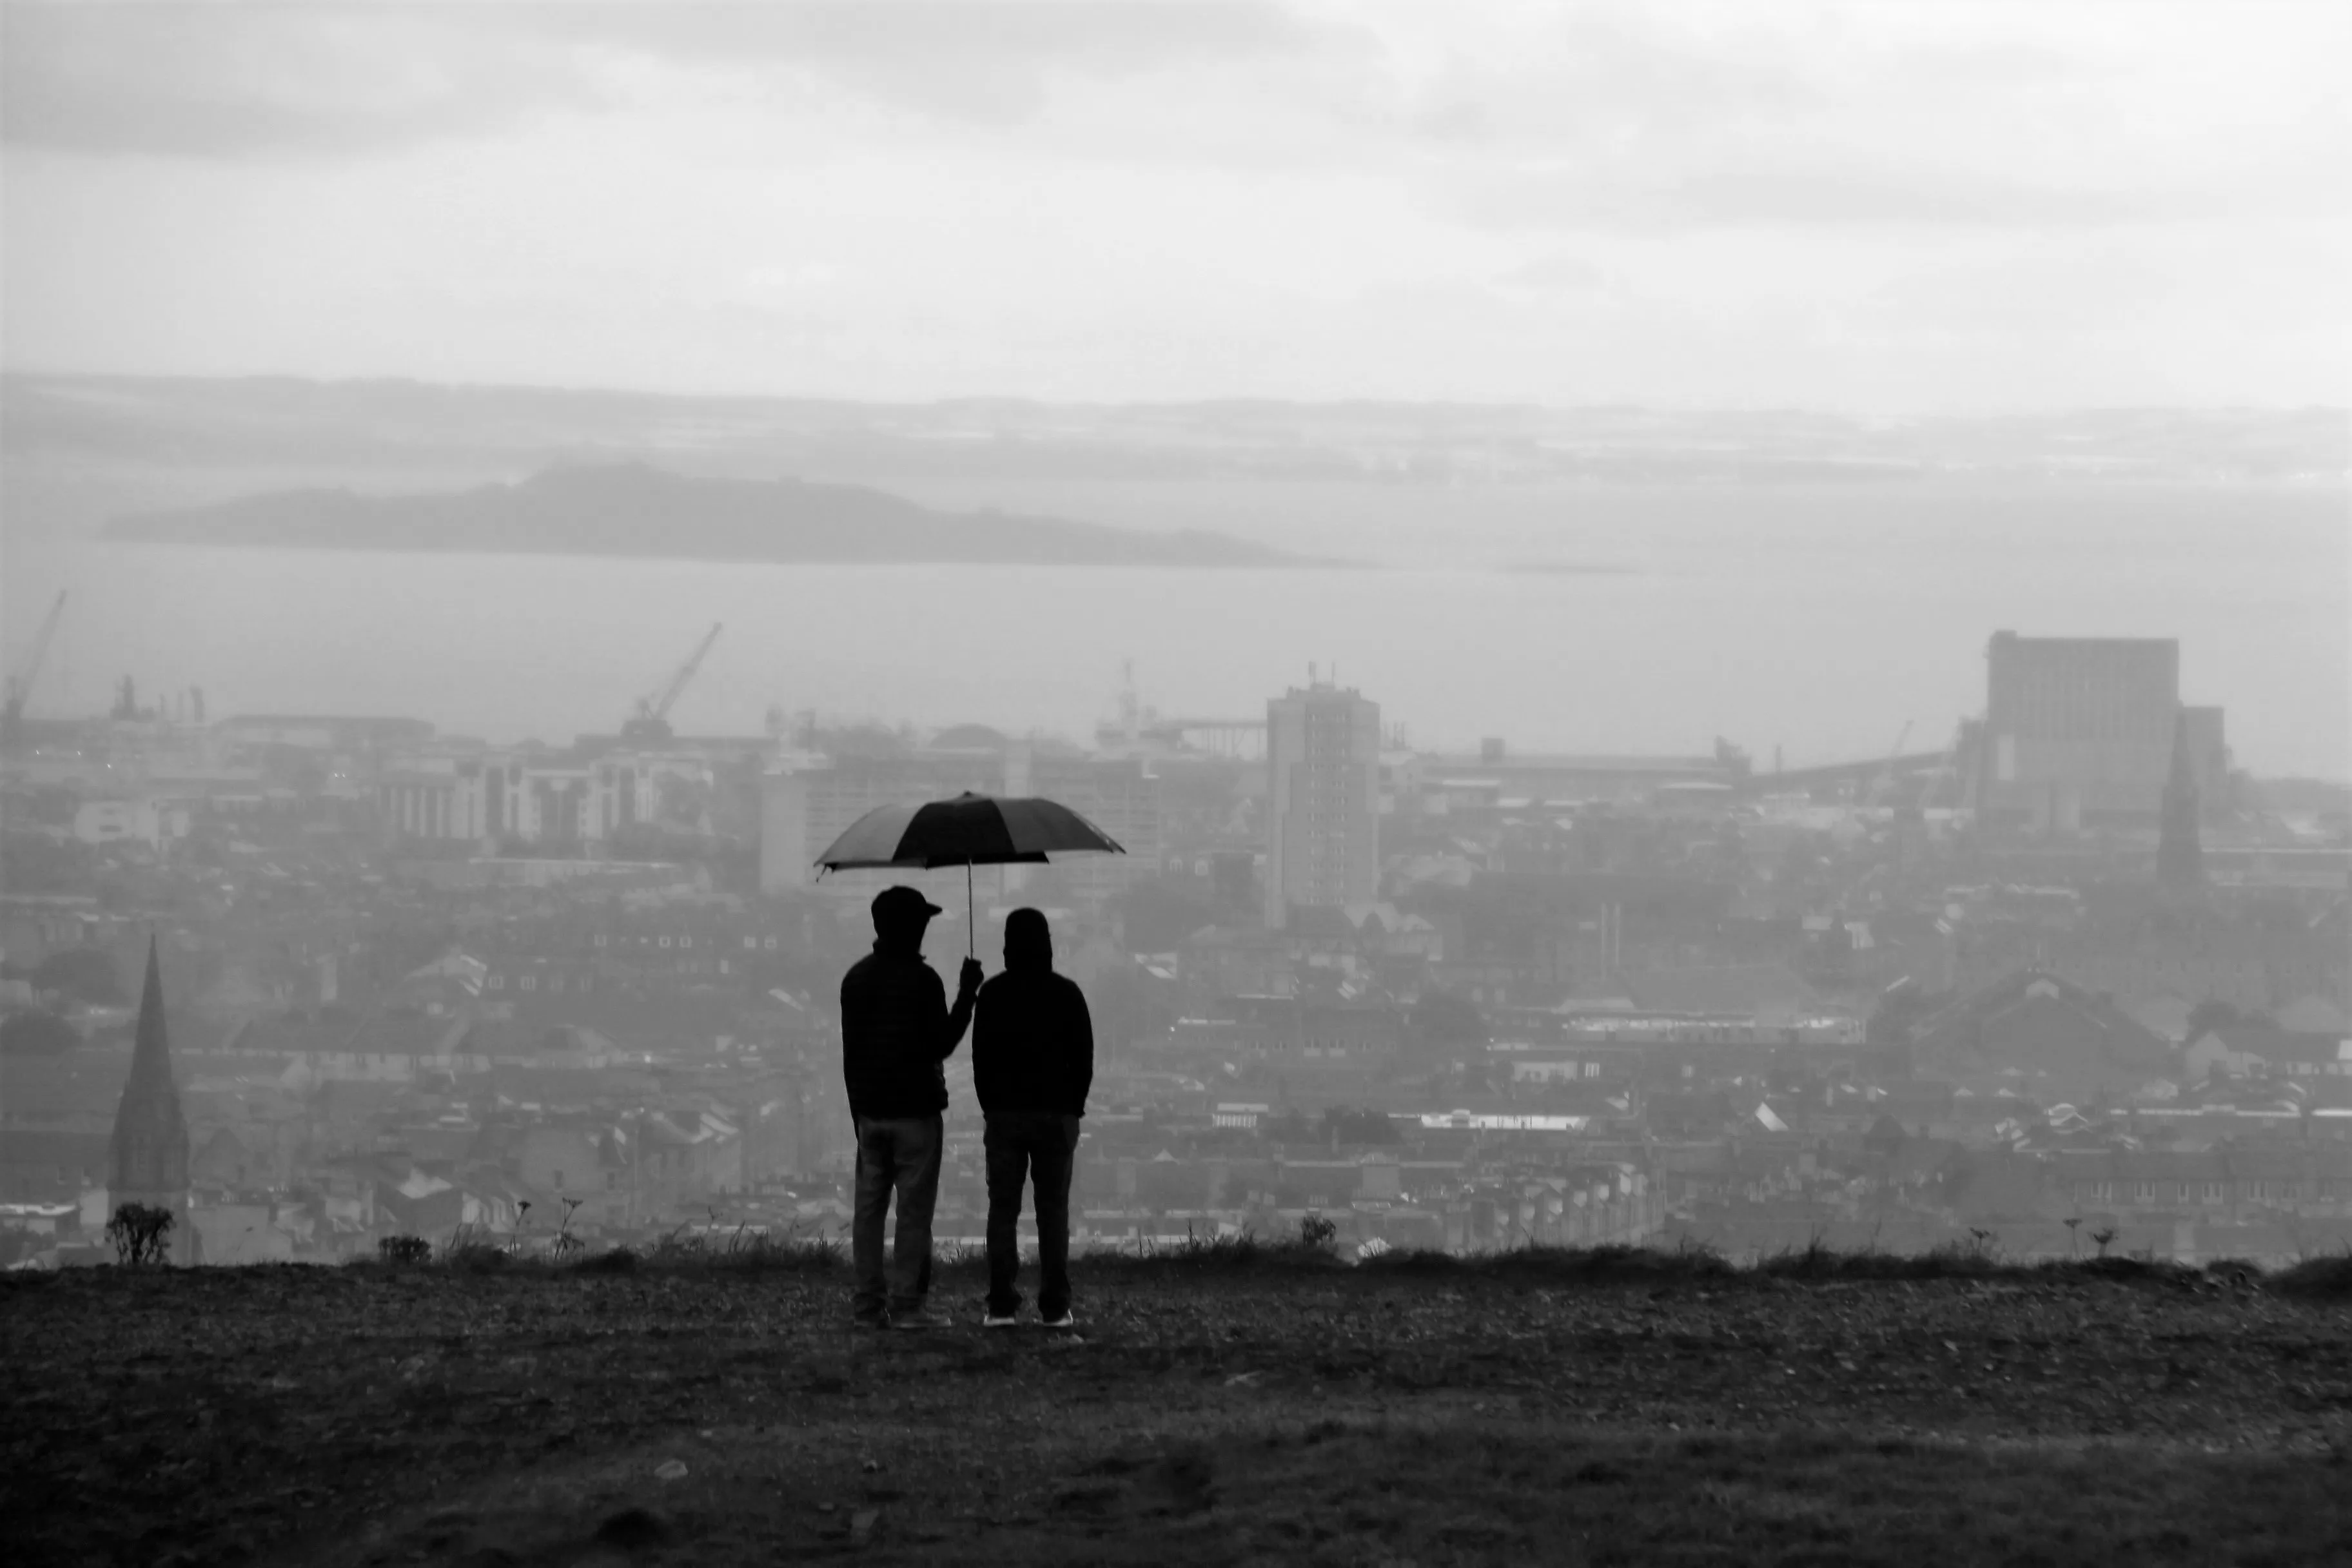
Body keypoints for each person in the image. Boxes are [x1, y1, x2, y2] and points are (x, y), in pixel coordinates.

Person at [839, 885, 983, 1330]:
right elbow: (942, 1044)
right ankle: (907, 1307)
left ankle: (867, 1307)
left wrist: (857, 1112)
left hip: (870, 1113)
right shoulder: (924, 982)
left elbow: (851, 1055)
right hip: (916, 1114)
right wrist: (967, 995)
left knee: (868, 1213)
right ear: (914, 927)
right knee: (913, 1214)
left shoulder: (855, 979)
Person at [972, 907, 1093, 1329]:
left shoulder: (991, 994)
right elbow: (1084, 1060)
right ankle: (1056, 1307)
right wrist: (1073, 1110)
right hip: (1055, 1116)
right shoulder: (1067, 994)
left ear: (1007, 944)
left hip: (1004, 1115)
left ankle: (1002, 1305)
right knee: (1052, 1211)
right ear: (1047, 943)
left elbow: (980, 1061)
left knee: (1003, 1209)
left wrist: (991, 1107)